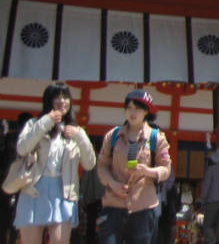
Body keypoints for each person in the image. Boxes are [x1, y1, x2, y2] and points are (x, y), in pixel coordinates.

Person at [12, 82, 96, 244]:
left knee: (59, 240)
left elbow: (89, 164)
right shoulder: (33, 124)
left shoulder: (76, 130)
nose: (62, 101)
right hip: (33, 188)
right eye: (56, 97)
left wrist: (80, 136)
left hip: (63, 190)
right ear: (48, 101)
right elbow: (22, 149)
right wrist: (45, 122)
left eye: (65, 97)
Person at [95, 89, 172, 244]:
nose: (132, 112)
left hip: (143, 206)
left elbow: (166, 169)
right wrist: (112, 183)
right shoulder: (113, 135)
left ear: (146, 111)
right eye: (129, 107)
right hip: (114, 203)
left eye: (137, 108)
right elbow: (102, 166)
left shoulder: (156, 137)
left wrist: (148, 171)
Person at [197, 148, 219, 244]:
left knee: (207, 225)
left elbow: (206, 186)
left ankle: (212, 241)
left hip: (213, 201)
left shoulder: (211, 169)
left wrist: (202, 200)